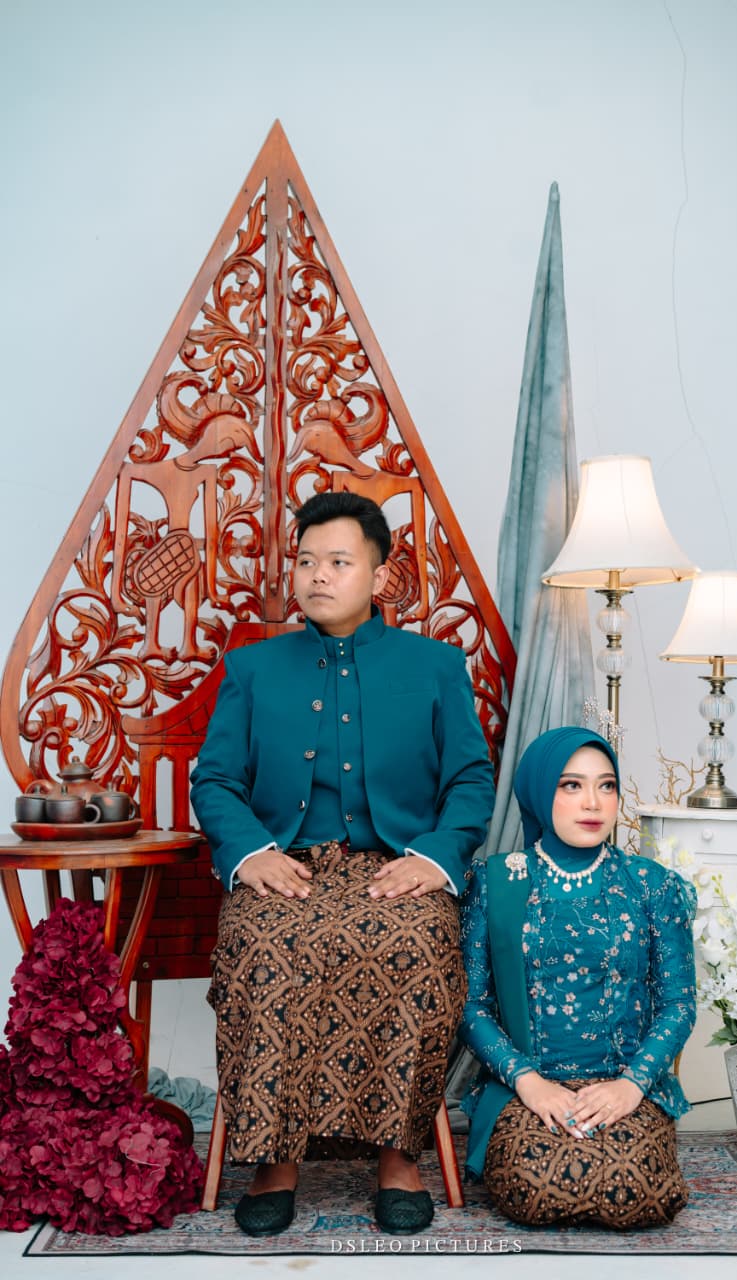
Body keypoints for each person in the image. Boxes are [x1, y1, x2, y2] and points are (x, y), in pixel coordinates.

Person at [191, 492, 494, 1236]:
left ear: (380, 576)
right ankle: (274, 1161)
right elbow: (216, 780)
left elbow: (469, 779)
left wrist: (434, 859)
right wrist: (250, 853)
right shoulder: (252, 669)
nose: (317, 575)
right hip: (285, 867)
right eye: (305, 561)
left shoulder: (435, 666)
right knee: (264, 944)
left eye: (337, 561)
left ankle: (399, 1156)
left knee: (418, 944)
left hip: (395, 867)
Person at [458, 726, 696, 1229]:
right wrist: (527, 1082)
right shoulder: (499, 882)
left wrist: (631, 1085)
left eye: (606, 786)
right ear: (539, 792)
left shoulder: (651, 885)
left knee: (637, 1189)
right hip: (529, 1085)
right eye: (571, 785)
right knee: (533, 1187)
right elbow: (471, 1005)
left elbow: (678, 1003)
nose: (593, 802)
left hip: (624, 1085)